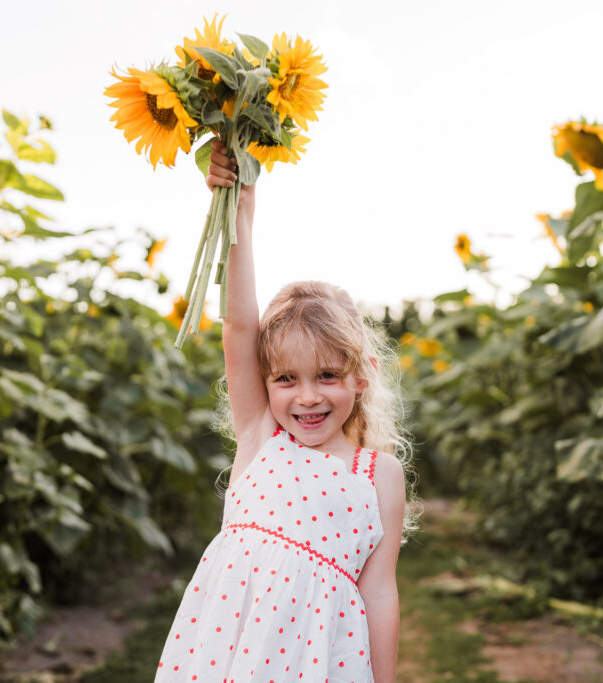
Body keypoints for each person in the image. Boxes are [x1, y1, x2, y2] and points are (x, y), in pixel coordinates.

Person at [154, 140, 411, 682]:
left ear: (360, 377)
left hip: (318, 663)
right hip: (230, 655)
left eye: (327, 376)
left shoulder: (377, 475)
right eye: (287, 379)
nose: (308, 396)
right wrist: (240, 204)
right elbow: (240, 324)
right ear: (265, 383)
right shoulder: (261, 435)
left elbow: (380, 591)